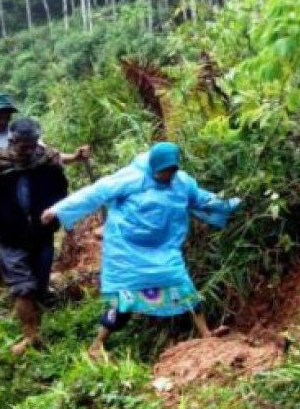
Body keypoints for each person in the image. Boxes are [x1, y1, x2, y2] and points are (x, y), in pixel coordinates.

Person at [41, 142, 240, 361]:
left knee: (184, 288)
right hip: (128, 252)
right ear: (154, 166)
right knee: (124, 301)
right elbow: (94, 194)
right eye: (163, 172)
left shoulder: (182, 183)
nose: (167, 176)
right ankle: (97, 344)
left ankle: (206, 335)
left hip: (164, 252)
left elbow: (204, 200)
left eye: (171, 171)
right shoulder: (130, 178)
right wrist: (57, 210)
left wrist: (235, 203)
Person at [0, 92, 90, 292]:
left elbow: (51, 156)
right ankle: (2, 289)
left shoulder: (26, 135)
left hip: (27, 194)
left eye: (5, 116)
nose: (2, 120)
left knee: (29, 242)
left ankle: (28, 286)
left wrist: (76, 157)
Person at [0, 119, 70, 356]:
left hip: (42, 235)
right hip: (9, 236)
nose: (29, 150)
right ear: (12, 141)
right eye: (23, 145)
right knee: (23, 287)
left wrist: (68, 223)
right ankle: (31, 335)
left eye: (33, 144)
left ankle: (36, 325)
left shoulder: (48, 161)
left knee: (39, 284)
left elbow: (63, 196)